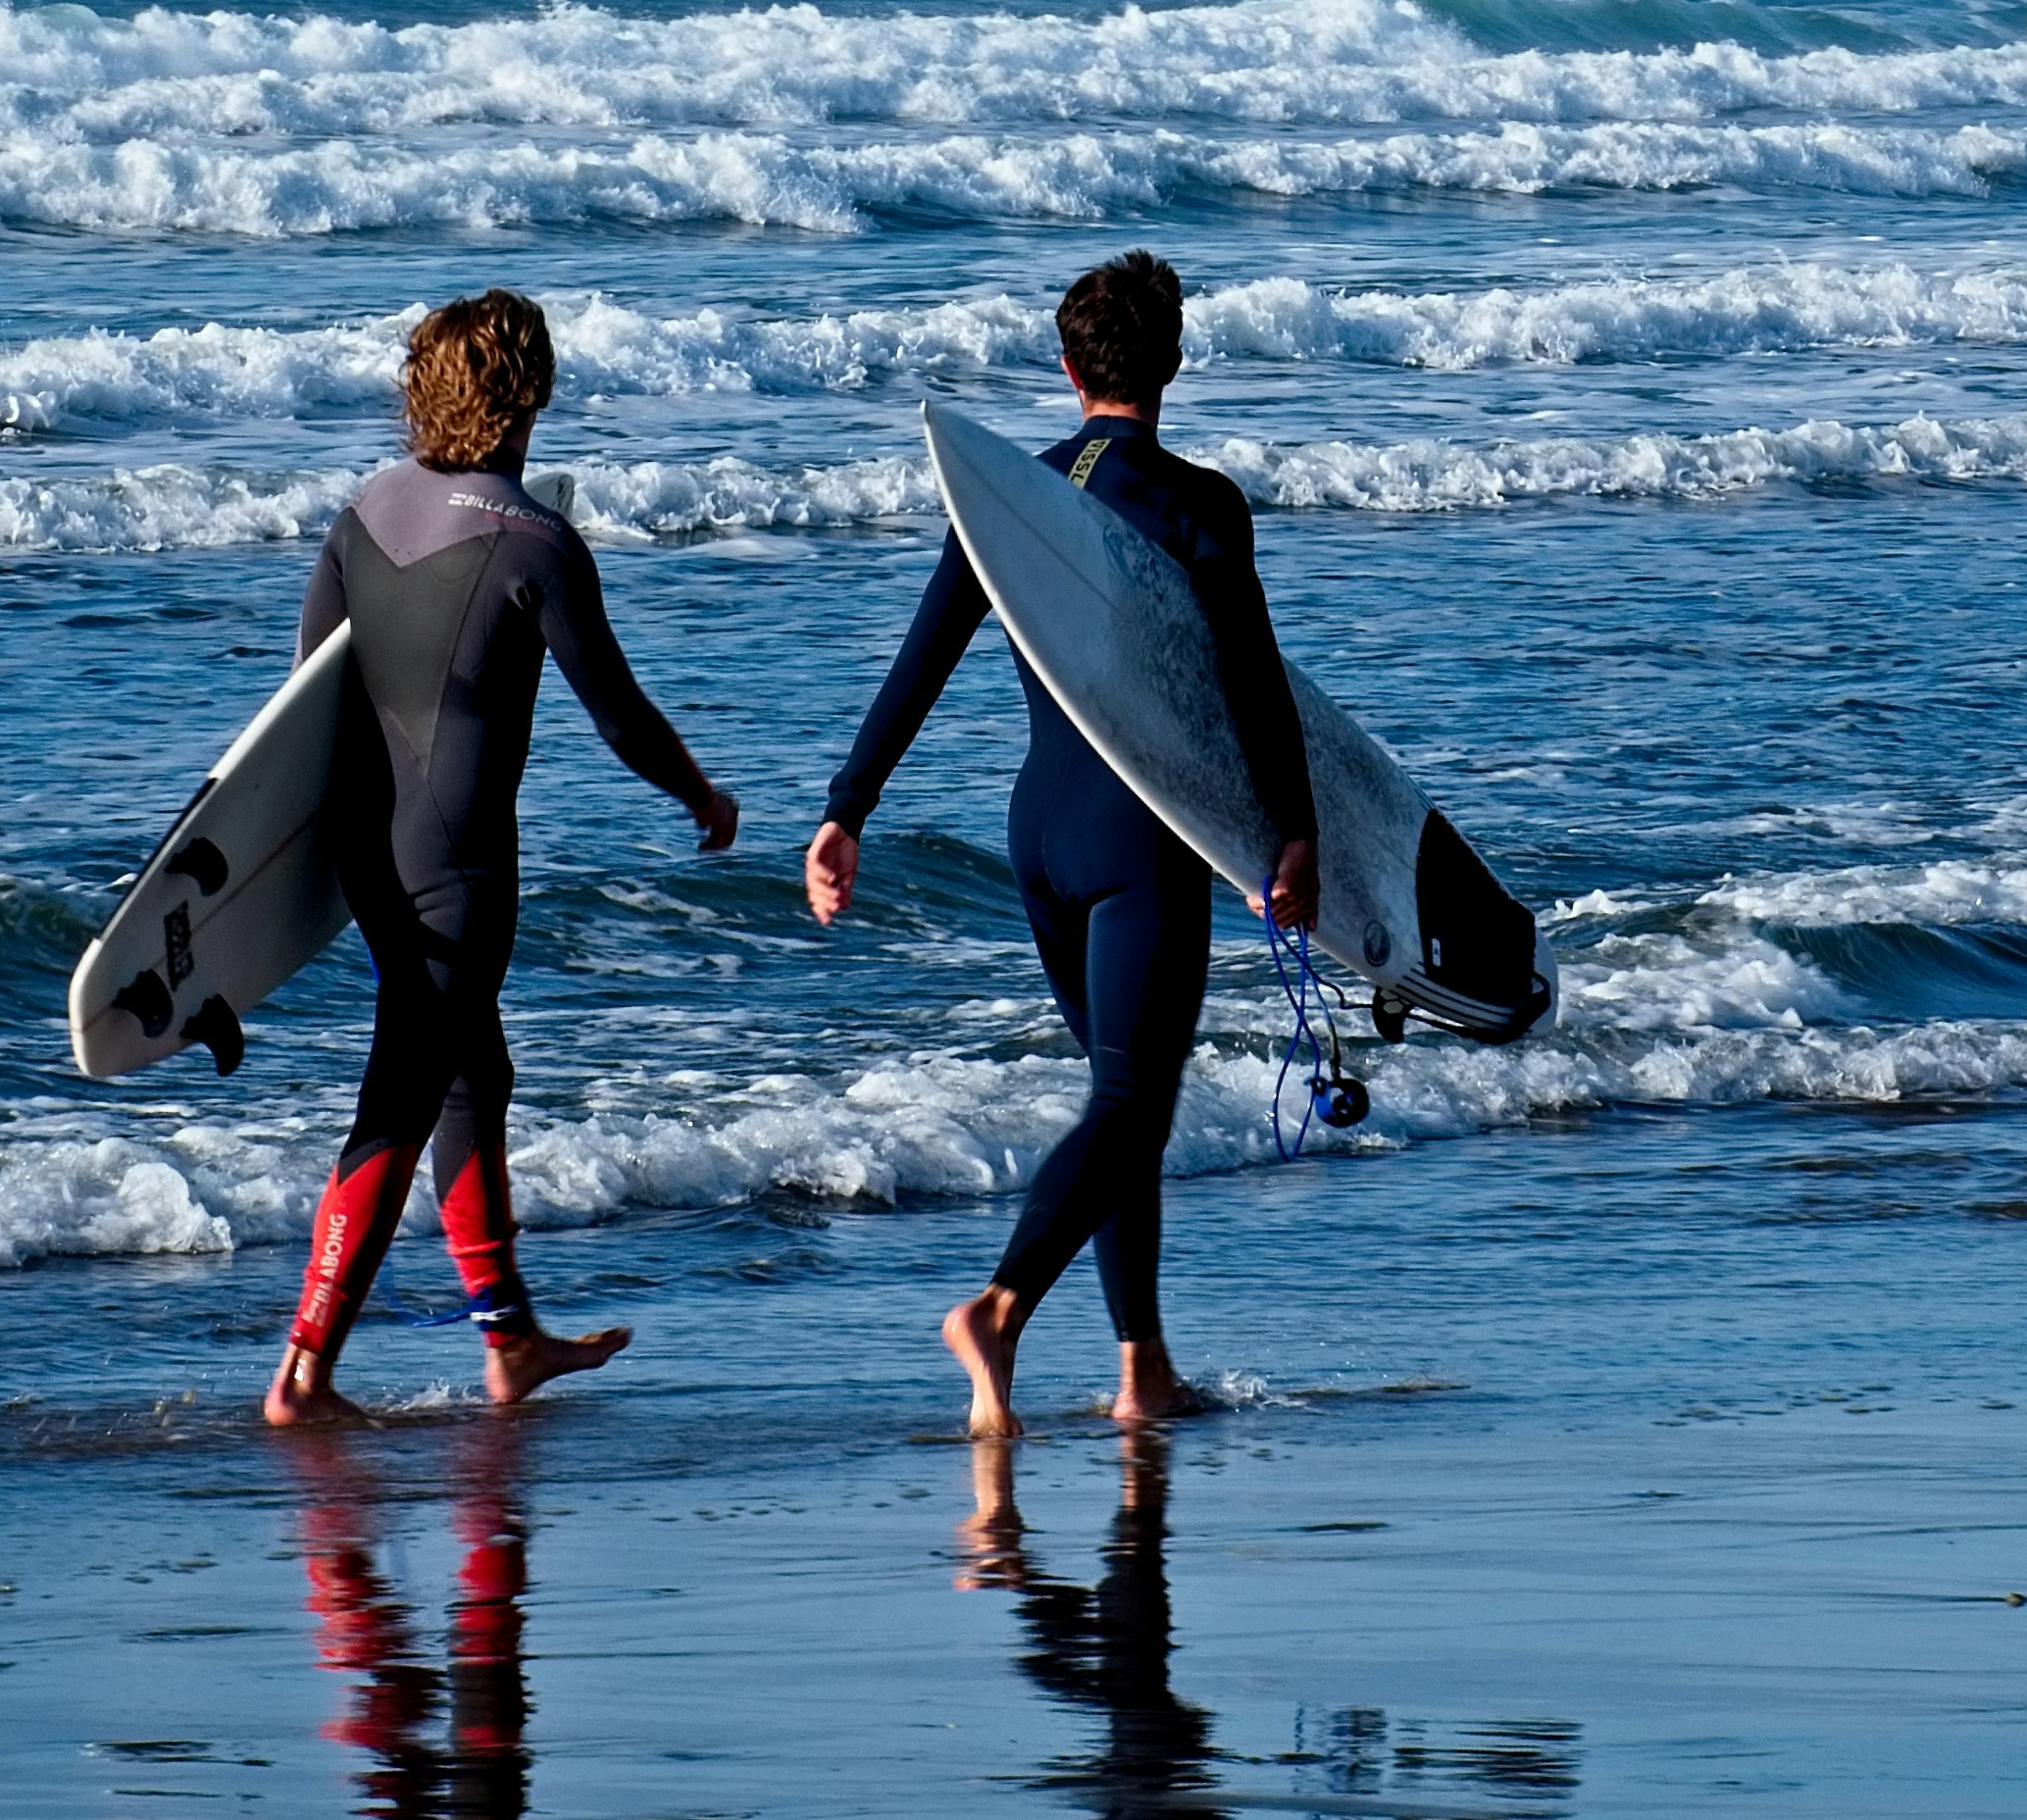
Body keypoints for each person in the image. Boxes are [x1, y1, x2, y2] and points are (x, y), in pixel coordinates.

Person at [802, 249, 1319, 1439]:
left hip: (1038, 828)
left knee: (1117, 1104)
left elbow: (923, 653)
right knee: (1133, 1099)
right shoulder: (1199, 503)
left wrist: (847, 808)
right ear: (1173, 362)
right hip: (1143, 832)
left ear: (1067, 365)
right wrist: (1292, 829)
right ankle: (998, 1305)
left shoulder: (1014, 496)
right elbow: (1249, 684)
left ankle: (1142, 1366)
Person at [265, 290, 739, 1429]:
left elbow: (300, 707)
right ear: (530, 391)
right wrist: (701, 792)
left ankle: (511, 1339)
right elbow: (619, 715)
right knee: (404, 1093)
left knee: (473, 1077)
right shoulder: (536, 541)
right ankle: (303, 1373)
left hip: (370, 862)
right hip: (460, 871)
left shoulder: (359, 514)